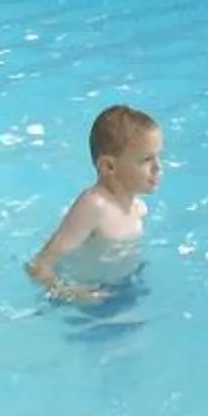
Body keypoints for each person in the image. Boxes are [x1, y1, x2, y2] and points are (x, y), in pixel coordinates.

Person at [24, 104, 163, 303]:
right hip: (88, 294)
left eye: (158, 156)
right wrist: (68, 293)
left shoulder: (138, 206)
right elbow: (38, 265)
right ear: (108, 166)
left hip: (127, 286)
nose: (158, 167)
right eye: (146, 160)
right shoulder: (94, 206)